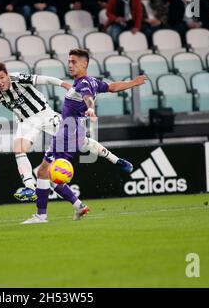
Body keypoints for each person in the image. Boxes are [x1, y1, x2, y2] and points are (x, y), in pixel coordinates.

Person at [0, 62, 130, 203]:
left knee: (82, 142)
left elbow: (44, 79)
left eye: (2, 77)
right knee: (18, 147)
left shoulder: (18, 79)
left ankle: (116, 160)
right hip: (26, 122)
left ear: (7, 75)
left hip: (45, 114)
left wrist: (64, 85)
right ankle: (29, 187)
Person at [22, 48, 147, 224]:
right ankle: (79, 205)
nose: (70, 65)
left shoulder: (83, 84)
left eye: (74, 62)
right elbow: (112, 87)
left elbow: (88, 97)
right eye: (69, 61)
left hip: (66, 134)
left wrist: (90, 108)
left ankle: (41, 216)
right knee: (49, 174)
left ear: (84, 64)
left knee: (44, 172)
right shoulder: (93, 81)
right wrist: (133, 82)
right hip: (75, 134)